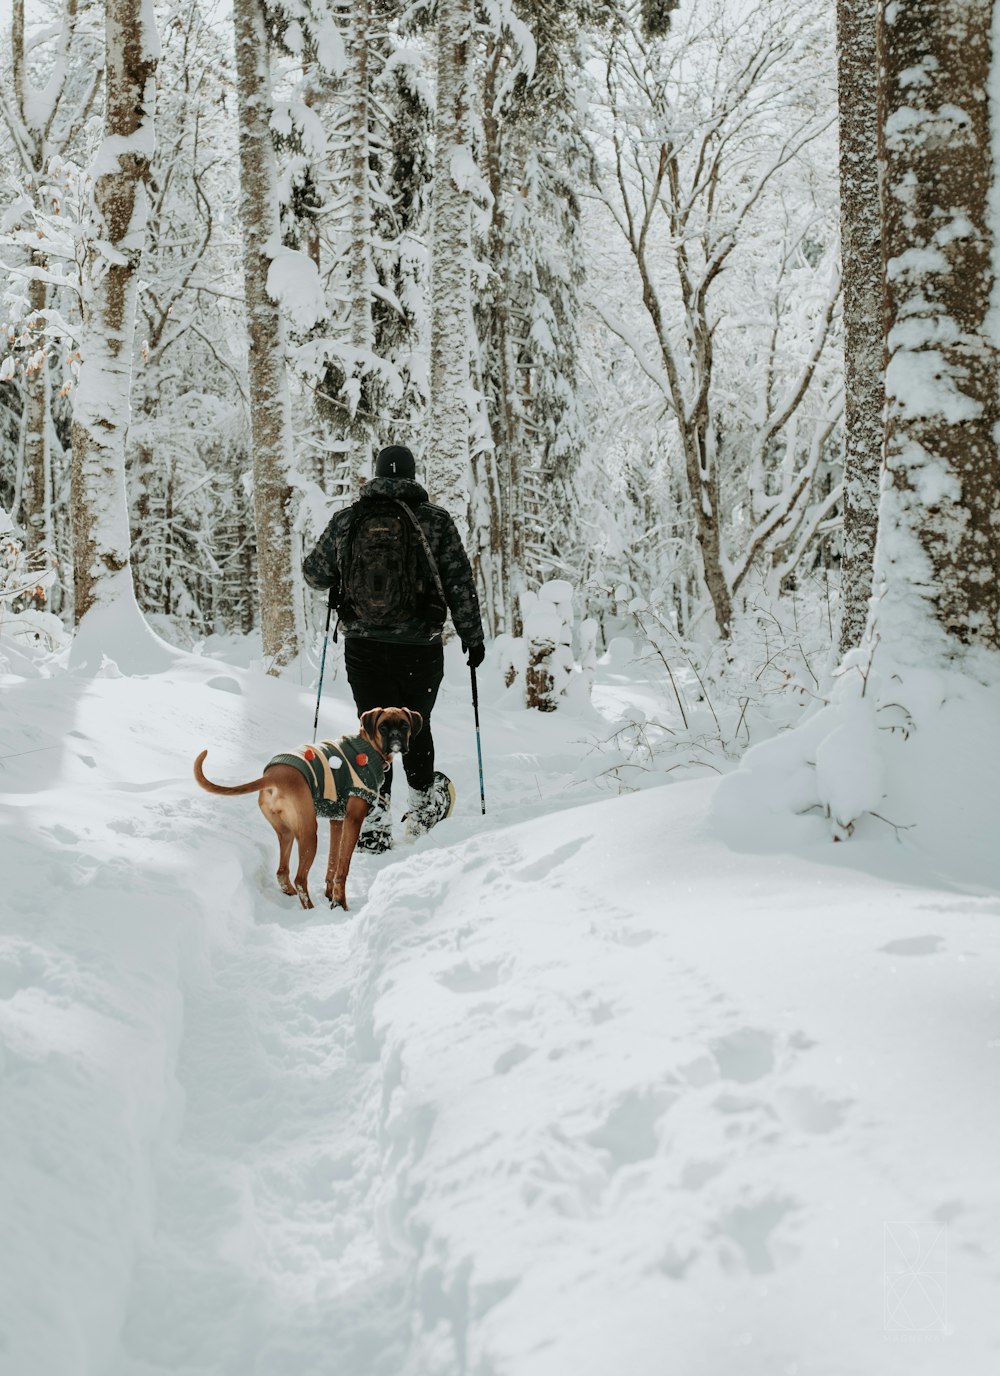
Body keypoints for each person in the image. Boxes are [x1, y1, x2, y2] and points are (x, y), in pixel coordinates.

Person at [303, 444, 486, 851]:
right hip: (419, 647)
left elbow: (313, 573)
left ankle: (374, 820)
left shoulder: (348, 520)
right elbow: (459, 581)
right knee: (416, 725)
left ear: (376, 474)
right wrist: (472, 637)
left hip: (364, 646)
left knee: (372, 729)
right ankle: (422, 808)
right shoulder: (435, 521)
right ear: (412, 474)